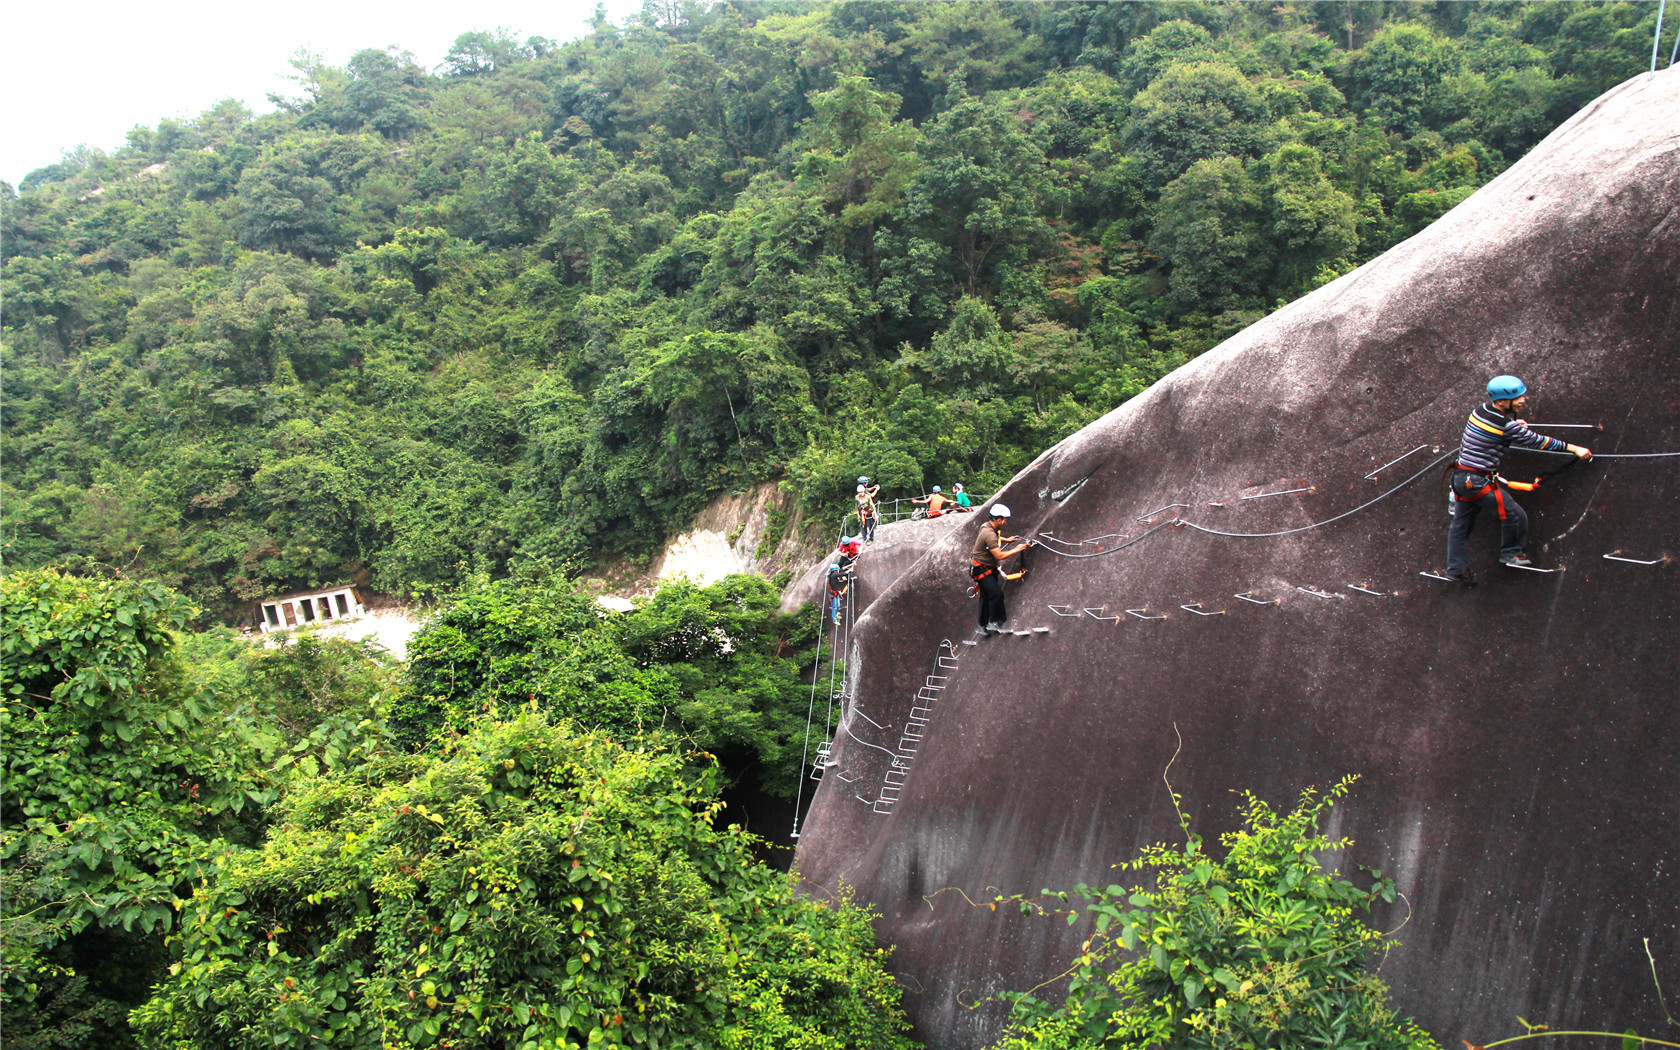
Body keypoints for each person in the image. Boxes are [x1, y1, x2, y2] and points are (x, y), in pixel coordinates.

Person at [1444, 375, 1591, 583]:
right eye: (1518, 398)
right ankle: (1511, 553)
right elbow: (1537, 441)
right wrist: (1574, 448)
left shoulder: (1480, 411)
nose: (1523, 400)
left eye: (1523, 396)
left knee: (1461, 525)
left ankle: (1456, 569)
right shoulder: (1506, 425)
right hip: (1477, 481)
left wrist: (1513, 425)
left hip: (1461, 479)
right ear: (1502, 401)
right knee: (1514, 515)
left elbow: (1496, 431)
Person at [971, 503, 1032, 631]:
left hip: (985, 568)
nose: (1006, 522)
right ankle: (994, 621)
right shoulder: (989, 534)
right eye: (1005, 520)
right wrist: (1017, 549)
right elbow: (999, 555)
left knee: (986, 595)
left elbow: (996, 538)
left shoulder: (988, 526)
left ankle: (982, 625)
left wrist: (1007, 540)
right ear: (999, 519)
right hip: (982, 569)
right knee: (996, 594)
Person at [855, 477, 880, 542]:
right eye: (866, 483)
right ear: (864, 483)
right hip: (862, 510)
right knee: (863, 524)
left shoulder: (862, 487)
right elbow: (871, 495)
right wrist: (876, 489)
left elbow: (867, 490)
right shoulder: (859, 494)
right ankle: (865, 538)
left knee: (870, 523)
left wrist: (873, 487)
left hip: (868, 510)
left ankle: (871, 537)